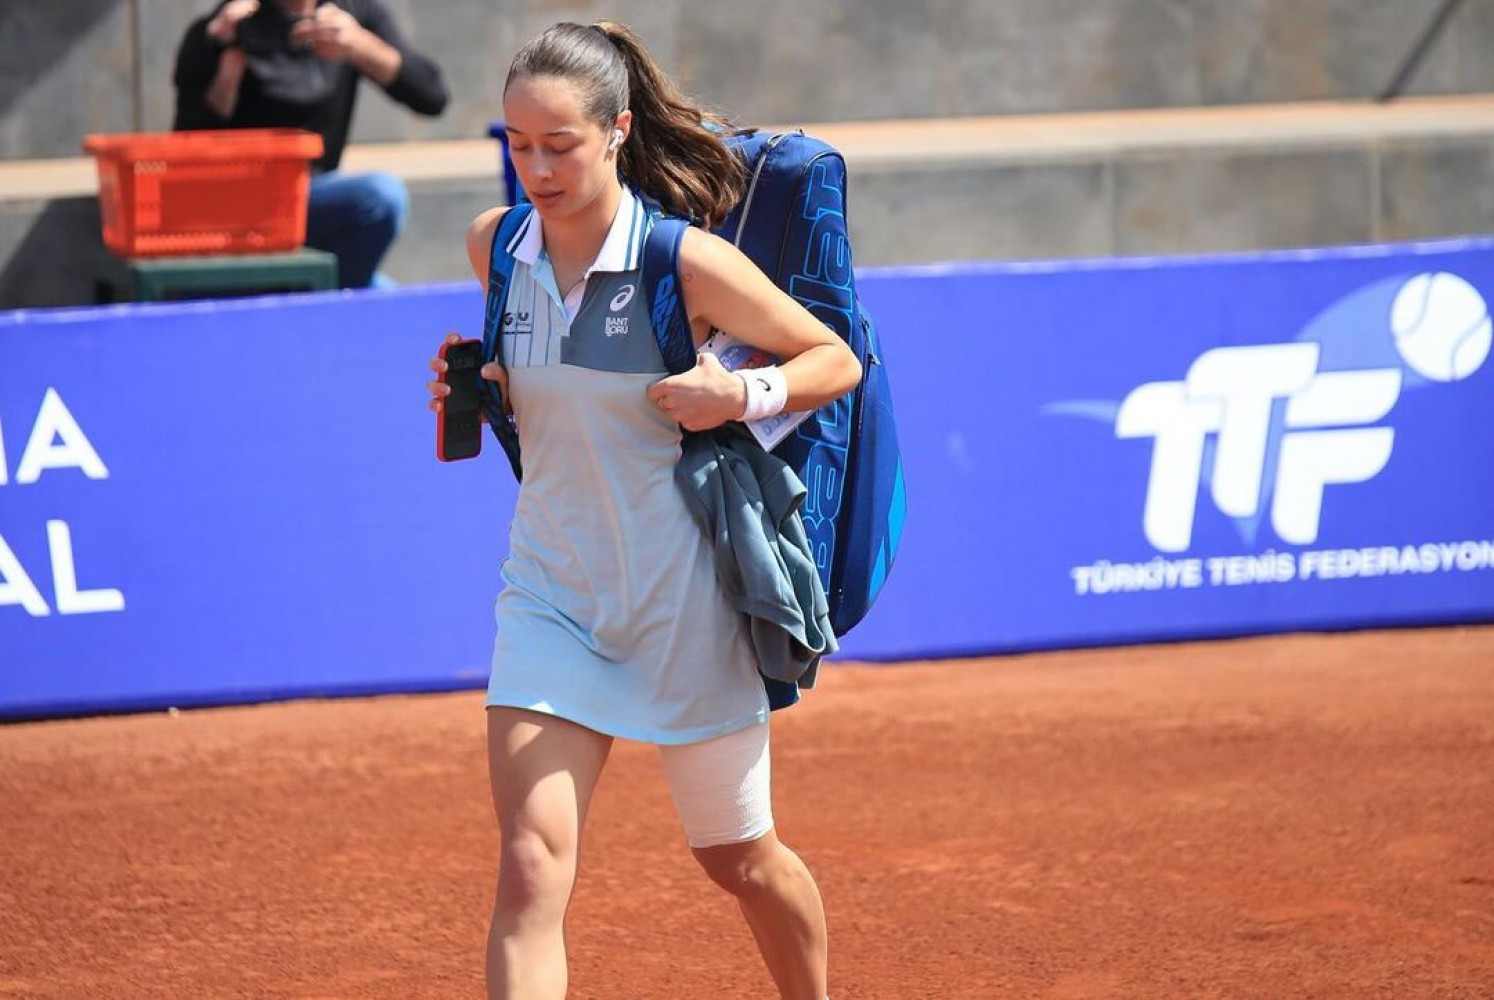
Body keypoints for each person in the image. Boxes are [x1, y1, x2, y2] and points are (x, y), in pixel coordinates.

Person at [425, 21, 860, 1000]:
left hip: (688, 609)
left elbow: (832, 361)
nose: (535, 166)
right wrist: (483, 384)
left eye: (559, 144)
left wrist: (736, 396)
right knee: (532, 863)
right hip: (552, 594)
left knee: (738, 857)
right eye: (518, 143)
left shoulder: (685, 262)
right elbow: (547, 389)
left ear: (617, 131)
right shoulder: (494, 248)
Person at [171, 0, 449, 288]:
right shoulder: (225, 26)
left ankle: (326, 303)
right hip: (239, 212)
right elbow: (185, 152)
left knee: (390, 300)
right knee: (380, 196)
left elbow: (432, 96)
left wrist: (360, 46)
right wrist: (224, 63)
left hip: (314, 201)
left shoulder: (349, 14)